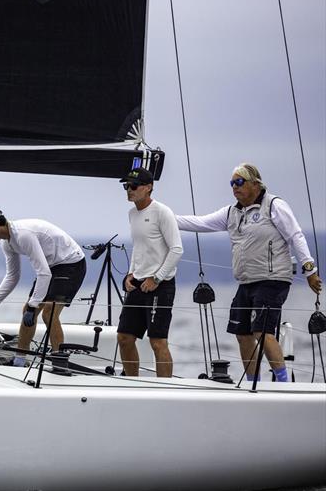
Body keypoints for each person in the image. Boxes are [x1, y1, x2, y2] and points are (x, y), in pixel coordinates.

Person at [176, 163, 322, 382]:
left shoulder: (274, 205)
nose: (235, 187)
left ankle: (283, 382)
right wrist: (166, 218)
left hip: (272, 280)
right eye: (232, 183)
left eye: (240, 182)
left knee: (262, 333)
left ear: (255, 183)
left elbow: (296, 236)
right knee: (242, 333)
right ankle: (255, 382)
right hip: (247, 282)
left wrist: (309, 269)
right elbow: (201, 222)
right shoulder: (232, 212)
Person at [0, 209, 87, 366]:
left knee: (48, 313)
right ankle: (19, 361)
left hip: (71, 262)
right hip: (51, 266)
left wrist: (33, 306)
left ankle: (60, 362)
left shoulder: (23, 235)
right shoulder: (7, 244)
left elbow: (44, 273)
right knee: (27, 310)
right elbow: (13, 276)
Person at [118, 167, 182, 378]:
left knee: (157, 342)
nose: (129, 190)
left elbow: (176, 250)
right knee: (124, 338)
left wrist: (156, 278)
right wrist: (130, 273)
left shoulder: (162, 212)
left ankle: (165, 390)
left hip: (160, 285)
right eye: (127, 186)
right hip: (137, 282)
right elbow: (138, 247)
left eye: (134, 186)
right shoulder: (132, 213)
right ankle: (132, 384)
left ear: (148, 188)